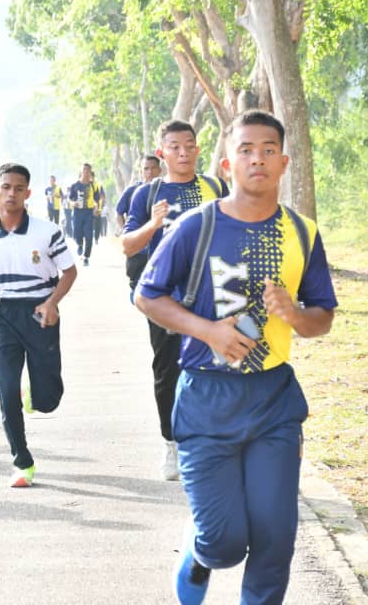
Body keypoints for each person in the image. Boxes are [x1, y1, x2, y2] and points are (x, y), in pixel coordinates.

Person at [134, 110, 337, 605]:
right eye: (246, 150)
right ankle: (201, 553)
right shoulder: (194, 226)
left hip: (273, 400)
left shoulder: (302, 232)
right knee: (225, 543)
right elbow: (148, 295)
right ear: (228, 163)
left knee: (274, 539)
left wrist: (293, 313)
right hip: (207, 398)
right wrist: (209, 331)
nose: (258, 159)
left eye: (268, 149)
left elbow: (322, 318)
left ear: (284, 161)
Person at [123, 121, 228, 481]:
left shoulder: (215, 188)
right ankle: (171, 445)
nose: (183, 153)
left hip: (213, 296)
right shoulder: (147, 194)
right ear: (161, 152)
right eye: (174, 147)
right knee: (169, 370)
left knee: (216, 367)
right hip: (165, 298)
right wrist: (153, 225)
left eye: (189, 146)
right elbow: (128, 245)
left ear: (198, 149)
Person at [0, 163, 77, 488]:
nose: (11, 193)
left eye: (18, 188)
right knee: (6, 389)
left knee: (47, 399)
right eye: (5, 187)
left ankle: (38, 393)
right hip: (5, 317)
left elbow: (69, 272)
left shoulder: (47, 232)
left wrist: (52, 302)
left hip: (40, 312)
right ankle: (22, 462)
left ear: (27, 193)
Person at [116, 155, 163, 295]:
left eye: (153, 168)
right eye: (146, 168)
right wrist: (125, 232)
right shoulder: (132, 191)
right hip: (138, 251)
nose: (150, 172)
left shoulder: (166, 190)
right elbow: (119, 212)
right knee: (137, 291)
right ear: (141, 171)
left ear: (160, 170)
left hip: (159, 250)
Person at [67, 163, 100, 267]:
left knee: (89, 236)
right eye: (84, 170)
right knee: (76, 234)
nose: (86, 172)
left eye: (88, 170)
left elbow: (96, 199)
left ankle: (86, 257)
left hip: (89, 213)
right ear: (81, 171)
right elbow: (69, 198)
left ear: (90, 173)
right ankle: (80, 244)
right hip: (77, 212)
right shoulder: (75, 185)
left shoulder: (93, 186)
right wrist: (73, 203)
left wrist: (96, 207)